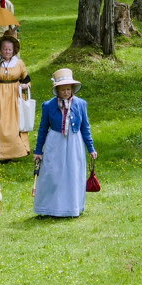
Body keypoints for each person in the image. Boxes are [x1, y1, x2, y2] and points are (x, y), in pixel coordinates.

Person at [33, 68, 97, 218]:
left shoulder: (80, 104)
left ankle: (72, 207)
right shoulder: (48, 106)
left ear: (72, 89)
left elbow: (85, 127)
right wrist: (38, 150)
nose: (66, 92)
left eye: (68, 89)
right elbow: (43, 128)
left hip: (74, 142)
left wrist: (91, 148)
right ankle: (50, 207)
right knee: (53, 173)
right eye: (63, 89)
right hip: (55, 142)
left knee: (73, 173)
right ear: (57, 90)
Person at [0, 32, 31, 161]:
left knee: (14, 124)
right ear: (0, 49)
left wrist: (26, 85)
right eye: (5, 49)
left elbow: (26, 79)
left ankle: (12, 152)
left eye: (10, 49)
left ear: (14, 50)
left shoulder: (19, 63)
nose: (7, 51)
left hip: (14, 96)